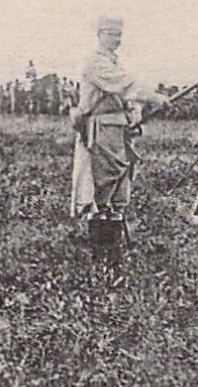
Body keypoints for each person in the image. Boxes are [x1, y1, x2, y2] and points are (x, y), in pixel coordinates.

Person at [69, 14, 168, 257]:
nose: (117, 39)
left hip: (119, 131)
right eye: (112, 34)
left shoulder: (115, 62)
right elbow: (124, 85)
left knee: (120, 187)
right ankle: (103, 252)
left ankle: (113, 247)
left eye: (119, 35)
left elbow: (126, 96)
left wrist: (135, 115)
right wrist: (155, 97)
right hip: (102, 131)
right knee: (104, 186)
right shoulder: (97, 63)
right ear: (100, 34)